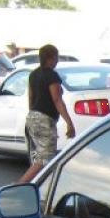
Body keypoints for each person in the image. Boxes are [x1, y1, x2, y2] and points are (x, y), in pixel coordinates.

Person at [19, 44, 75, 183]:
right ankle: (20, 186)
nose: (57, 61)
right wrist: (69, 123)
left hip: (32, 117)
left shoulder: (33, 74)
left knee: (39, 157)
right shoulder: (51, 76)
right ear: (50, 58)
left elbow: (30, 98)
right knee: (45, 159)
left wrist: (33, 115)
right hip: (45, 119)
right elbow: (57, 100)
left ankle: (37, 187)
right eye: (56, 57)